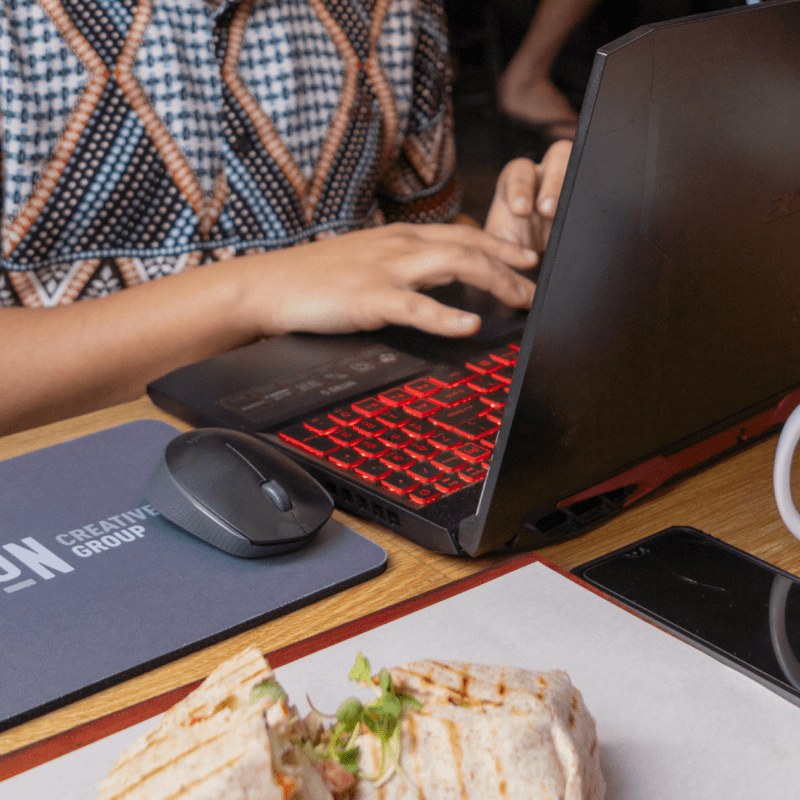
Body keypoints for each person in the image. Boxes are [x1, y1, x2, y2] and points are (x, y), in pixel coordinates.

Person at [0, 0, 571, 435]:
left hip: (364, 433)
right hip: (81, 472)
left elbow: (416, 242)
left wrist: (501, 257)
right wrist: (252, 291)